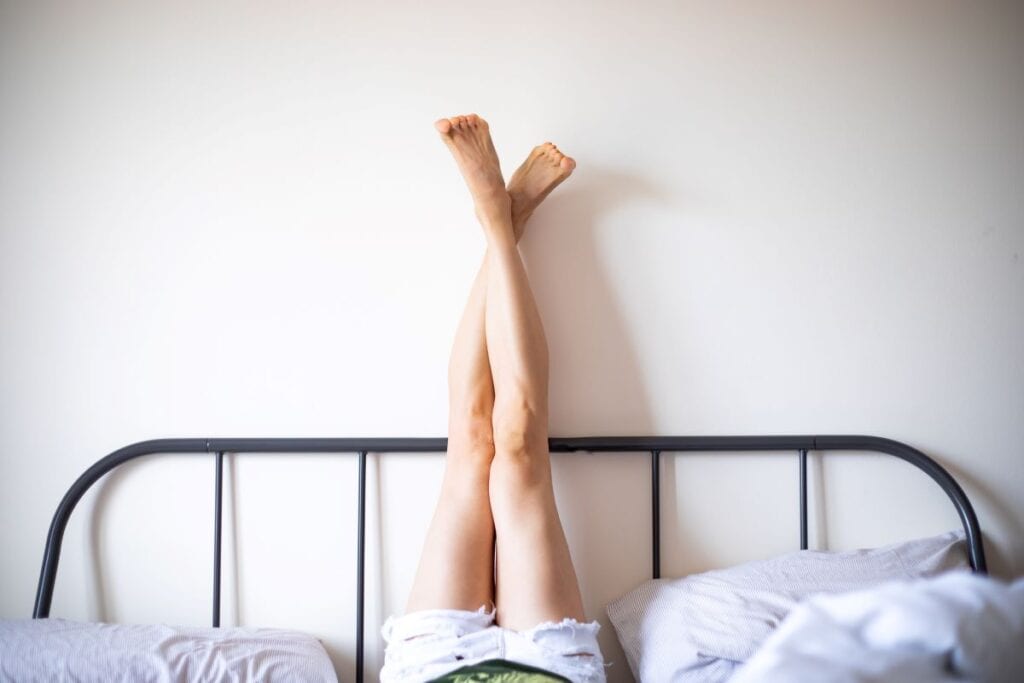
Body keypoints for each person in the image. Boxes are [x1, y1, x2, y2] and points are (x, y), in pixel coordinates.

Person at [379, 115, 607, 683]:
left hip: (433, 670)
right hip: (547, 673)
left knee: (472, 443)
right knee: (519, 447)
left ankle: (501, 217)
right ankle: (502, 218)